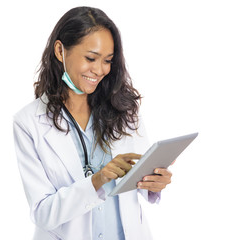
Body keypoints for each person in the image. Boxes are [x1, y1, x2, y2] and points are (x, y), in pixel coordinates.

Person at [13, 6, 172, 240]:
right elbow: (42, 213)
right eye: (90, 58)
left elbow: (138, 176)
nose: (99, 70)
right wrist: (97, 180)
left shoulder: (124, 108)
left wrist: (154, 180)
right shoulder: (28, 122)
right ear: (60, 51)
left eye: (107, 60)